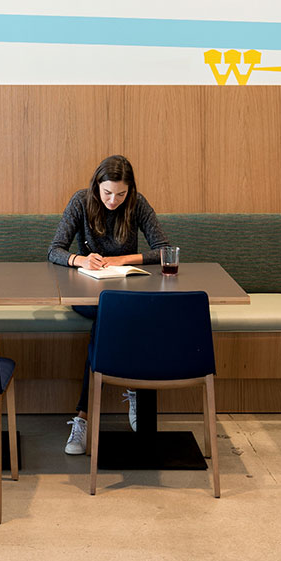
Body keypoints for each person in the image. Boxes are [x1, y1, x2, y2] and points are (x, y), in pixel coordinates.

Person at [46, 154, 169, 456]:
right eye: (107, 193)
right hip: (87, 294)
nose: (114, 200)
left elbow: (164, 250)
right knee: (108, 318)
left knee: (112, 319)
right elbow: (54, 250)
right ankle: (115, 400)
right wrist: (80, 259)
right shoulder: (80, 201)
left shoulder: (137, 204)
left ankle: (83, 416)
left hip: (127, 293)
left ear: (130, 190)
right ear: (97, 187)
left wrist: (121, 259)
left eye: (121, 194)